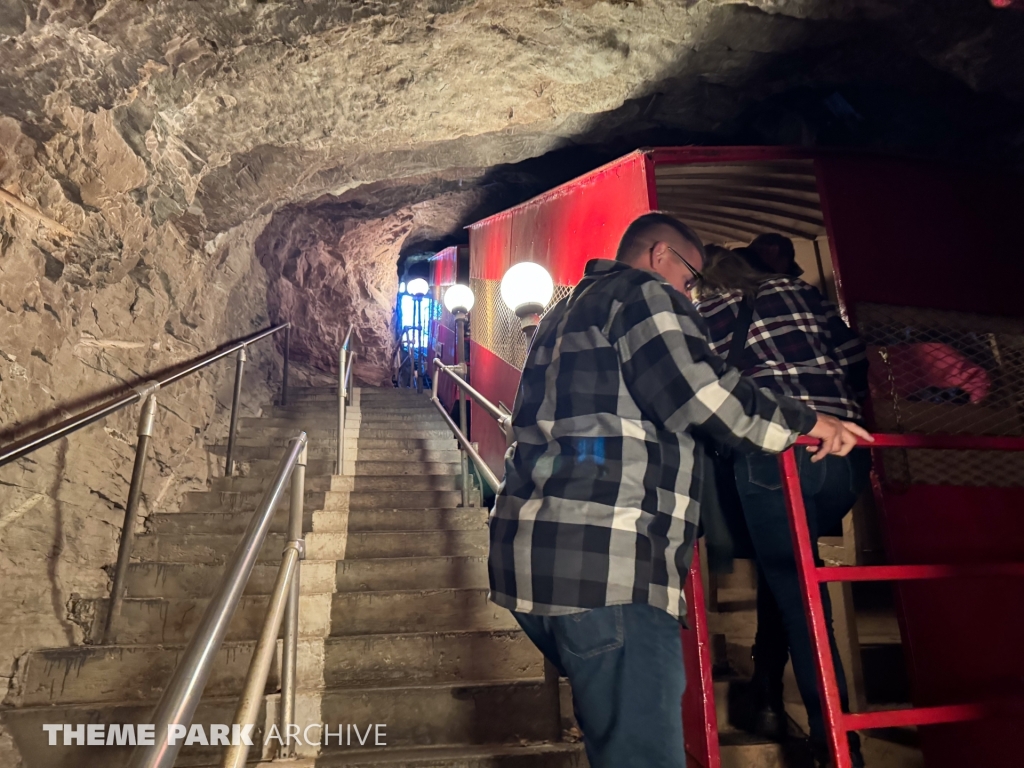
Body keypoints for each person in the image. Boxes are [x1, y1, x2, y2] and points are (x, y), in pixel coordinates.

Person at [487, 212, 872, 768]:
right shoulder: (641, 291)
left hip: (534, 566)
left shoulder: (558, 313)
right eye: (689, 279)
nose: (691, 295)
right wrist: (810, 423)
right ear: (661, 254)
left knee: (616, 740)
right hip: (608, 567)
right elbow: (697, 392)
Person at [695, 245, 871, 768]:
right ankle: (768, 691)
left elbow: (704, 393)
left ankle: (838, 746)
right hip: (845, 453)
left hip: (775, 453)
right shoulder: (798, 291)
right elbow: (856, 357)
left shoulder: (703, 313)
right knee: (792, 577)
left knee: (800, 602)